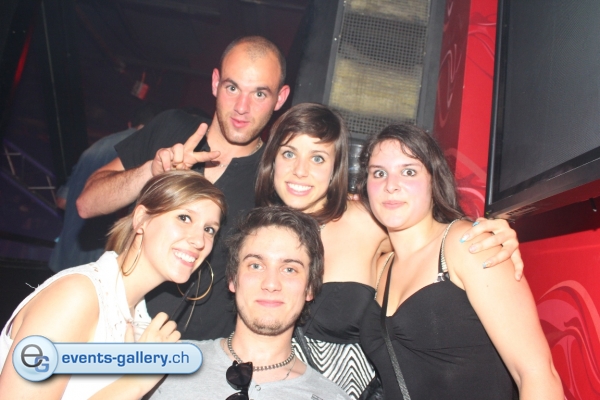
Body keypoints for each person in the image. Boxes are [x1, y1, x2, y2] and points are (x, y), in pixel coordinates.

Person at [254, 102, 526, 398]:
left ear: (335, 168)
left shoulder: (367, 220)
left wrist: (492, 232)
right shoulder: (254, 234)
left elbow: (430, 233)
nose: (300, 171)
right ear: (272, 159)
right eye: (289, 153)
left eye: (317, 158)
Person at [76, 36, 291, 340]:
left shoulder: (276, 179)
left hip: (196, 354)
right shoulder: (171, 127)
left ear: (280, 98)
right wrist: (151, 172)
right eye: (232, 88)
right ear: (215, 82)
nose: (242, 107)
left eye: (259, 93)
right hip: (112, 325)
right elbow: (87, 203)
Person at [357, 124, 563, 399]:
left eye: (409, 171)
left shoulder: (468, 244)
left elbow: (537, 375)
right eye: (379, 173)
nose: (390, 185)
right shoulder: (380, 266)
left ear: (434, 181)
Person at [0, 171, 226, 399]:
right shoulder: (78, 295)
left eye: (209, 229)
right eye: (184, 218)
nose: (199, 241)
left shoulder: (141, 323)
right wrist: (135, 383)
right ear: (141, 218)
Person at [148, 207, 349, 399]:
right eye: (256, 266)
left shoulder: (332, 396)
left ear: (310, 288)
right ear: (233, 279)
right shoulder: (163, 361)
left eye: (289, 269)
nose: (271, 284)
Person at [49, 102, 163, 272]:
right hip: (97, 263)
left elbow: (62, 201)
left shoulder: (94, 148)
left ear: (129, 123)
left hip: (62, 259)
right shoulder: (144, 153)